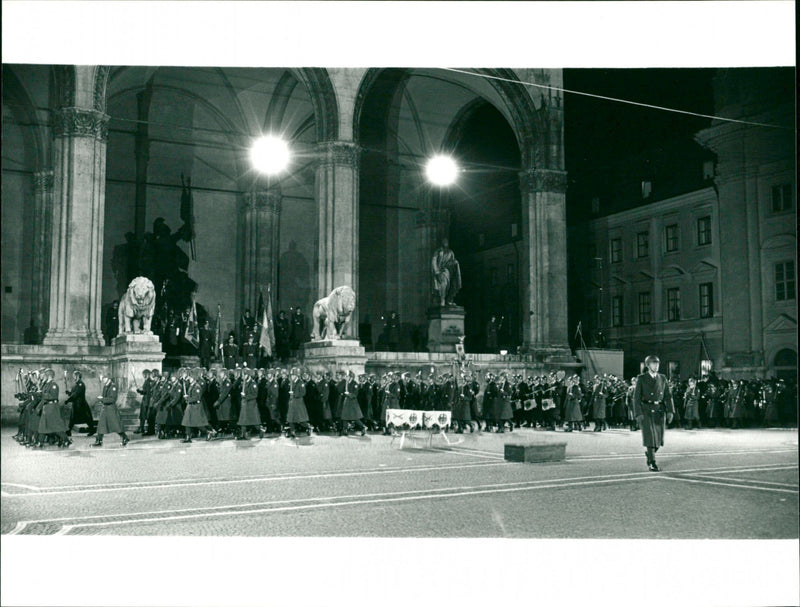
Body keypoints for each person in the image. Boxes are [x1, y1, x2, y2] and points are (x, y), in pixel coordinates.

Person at [632, 355, 674, 471]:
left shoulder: (662, 378)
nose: (656, 366)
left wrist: (670, 411)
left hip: (659, 410)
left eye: (657, 363)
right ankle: (652, 462)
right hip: (646, 410)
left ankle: (650, 453)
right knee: (650, 437)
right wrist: (638, 413)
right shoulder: (642, 378)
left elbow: (668, 396)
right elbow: (636, 398)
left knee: (659, 440)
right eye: (653, 363)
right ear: (648, 365)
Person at [92, 374, 129, 447]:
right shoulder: (106, 386)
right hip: (105, 408)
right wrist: (101, 399)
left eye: (104, 378)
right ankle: (99, 440)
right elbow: (104, 396)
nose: (103, 380)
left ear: (108, 378)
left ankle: (125, 437)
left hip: (111, 409)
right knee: (101, 425)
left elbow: (112, 399)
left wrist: (102, 399)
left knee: (116, 426)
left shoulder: (113, 387)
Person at [431, 237, 462, 307]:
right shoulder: (438, 252)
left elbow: (452, 261)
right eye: (444, 241)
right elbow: (434, 261)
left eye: (446, 242)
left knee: (452, 284)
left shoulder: (450, 252)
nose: (446, 243)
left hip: (449, 271)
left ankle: (449, 299)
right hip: (441, 271)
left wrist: (455, 262)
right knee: (443, 283)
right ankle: (442, 299)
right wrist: (436, 271)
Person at [66, 370, 96, 436]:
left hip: (81, 404)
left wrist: (68, 400)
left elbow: (76, 394)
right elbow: (73, 393)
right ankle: (69, 431)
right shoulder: (76, 384)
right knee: (73, 418)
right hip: (76, 404)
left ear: (77, 376)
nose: (73, 377)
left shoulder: (80, 384)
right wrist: (69, 393)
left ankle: (92, 429)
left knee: (86, 418)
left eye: (74, 376)